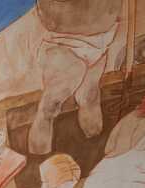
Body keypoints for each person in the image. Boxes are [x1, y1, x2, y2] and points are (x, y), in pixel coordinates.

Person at [29, 0, 122, 156]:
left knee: (90, 97)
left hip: (101, 40)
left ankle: (95, 149)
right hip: (64, 41)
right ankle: (39, 157)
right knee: (49, 108)